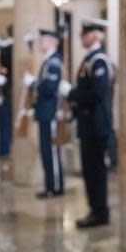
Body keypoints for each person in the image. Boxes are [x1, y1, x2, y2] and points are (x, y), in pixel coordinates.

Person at [68, 19, 113, 228]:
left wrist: (71, 93)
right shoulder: (90, 60)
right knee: (89, 169)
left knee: (95, 170)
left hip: (97, 124)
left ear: (96, 35)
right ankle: (94, 208)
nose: (81, 37)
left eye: (85, 33)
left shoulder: (99, 61)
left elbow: (96, 93)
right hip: (88, 124)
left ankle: (99, 211)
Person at [30, 28, 64, 199]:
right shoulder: (48, 61)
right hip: (44, 112)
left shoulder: (53, 62)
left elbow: (50, 88)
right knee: (46, 150)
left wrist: (35, 84)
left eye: (42, 40)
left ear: (51, 42)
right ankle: (50, 185)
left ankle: (55, 187)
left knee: (51, 151)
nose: (40, 43)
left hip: (51, 113)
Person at [0, 39, 13, 157]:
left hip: (7, 99)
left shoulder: (8, 70)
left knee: (5, 125)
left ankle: (5, 149)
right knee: (1, 124)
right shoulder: (2, 70)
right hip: (1, 98)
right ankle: (2, 148)